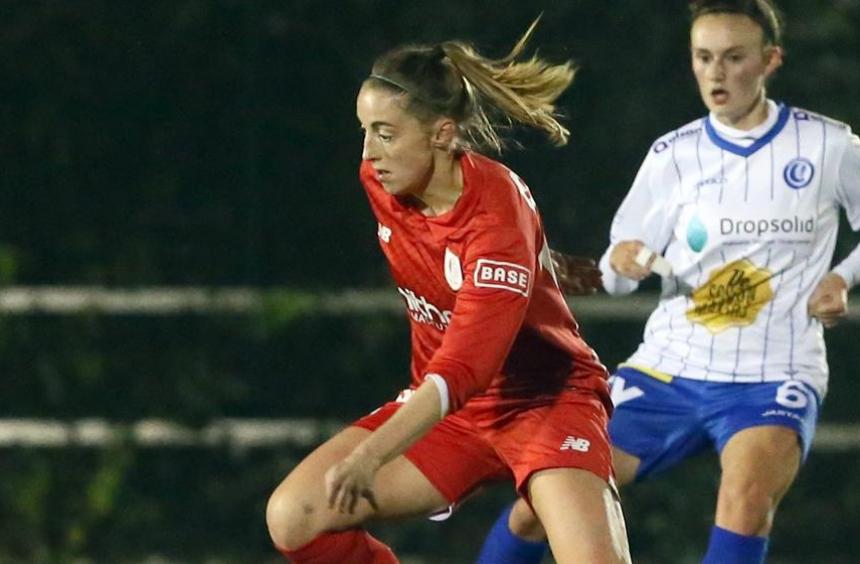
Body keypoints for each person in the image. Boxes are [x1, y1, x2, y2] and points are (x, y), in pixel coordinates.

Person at [477, 1, 860, 563]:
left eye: (734, 58)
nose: (717, 72)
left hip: (774, 374)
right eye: (704, 58)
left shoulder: (829, 147)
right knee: (546, 495)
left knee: (745, 498)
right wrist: (623, 262)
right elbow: (614, 275)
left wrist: (843, 277)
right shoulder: (673, 156)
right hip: (669, 370)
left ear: (770, 60)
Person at [264, 18, 631, 564]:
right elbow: (458, 266)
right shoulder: (383, 180)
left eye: (385, 133)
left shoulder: (496, 215)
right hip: (454, 416)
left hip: (544, 403)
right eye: (364, 130)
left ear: (441, 133)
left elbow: (466, 366)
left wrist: (371, 455)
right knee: (296, 516)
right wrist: (544, 264)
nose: (368, 153)